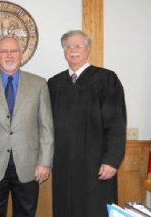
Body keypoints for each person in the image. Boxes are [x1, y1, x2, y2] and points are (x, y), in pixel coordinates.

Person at [0, 37, 54, 217]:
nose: (9, 55)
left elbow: (46, 127)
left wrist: (45, 161)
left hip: (29, 165)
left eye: (13, 51)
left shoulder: (39, 84)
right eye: (3, 51)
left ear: (21, 55)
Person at [48, 30, 127, 217]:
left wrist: (112, 160)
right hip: (63, 164)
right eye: (68, 46)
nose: (73, 50)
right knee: (65, 209)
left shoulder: (107, 79)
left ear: (88, 49)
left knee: (95, 210)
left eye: (78, 46)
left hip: (97, 164)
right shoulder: (54, 83)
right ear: (64, 51)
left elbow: (117, 123)